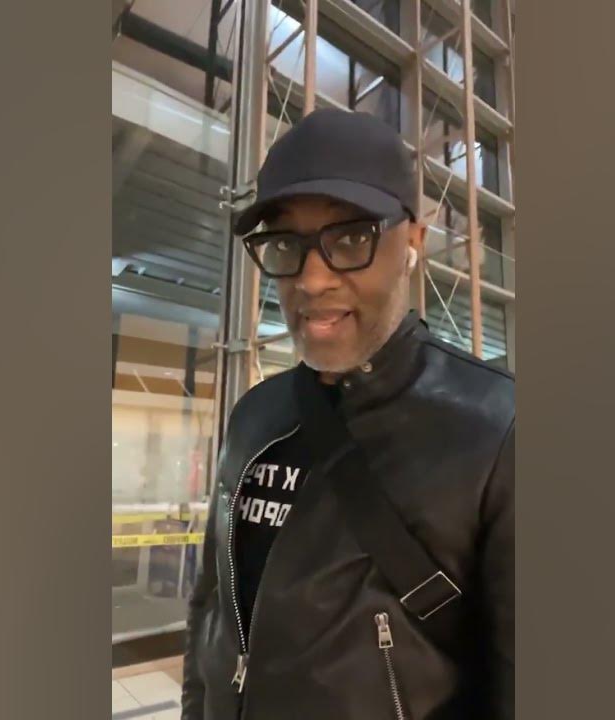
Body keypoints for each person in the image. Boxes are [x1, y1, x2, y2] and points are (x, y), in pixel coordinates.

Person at [181, 108, 514, 719]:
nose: (312, 280)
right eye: (286, 244)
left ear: (413, 242)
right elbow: (211, 612)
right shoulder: (255, 416)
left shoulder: (498, 432)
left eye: (352, 239)